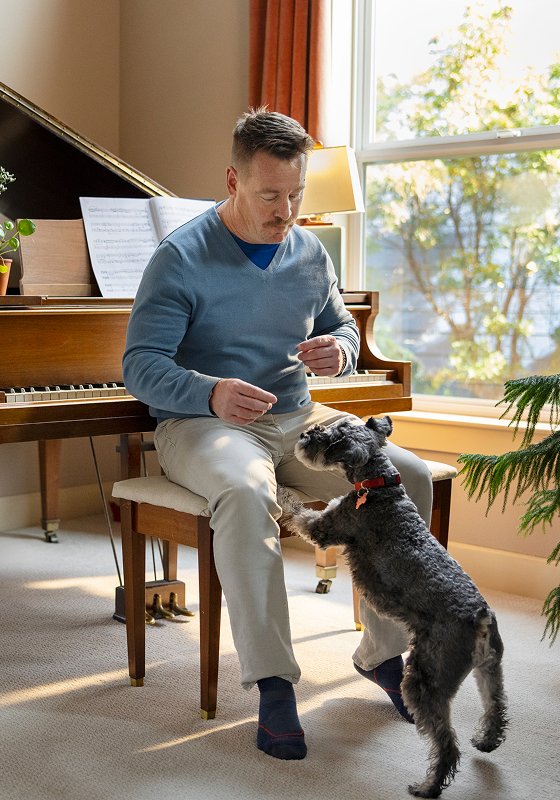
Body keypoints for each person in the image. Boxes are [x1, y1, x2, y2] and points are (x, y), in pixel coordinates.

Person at [123, 108, 432, 761]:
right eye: (270, 196)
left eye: (296, 194)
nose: (285, 210)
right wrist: (209, 390)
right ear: (232, 180)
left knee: (406, 476)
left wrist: (339, 352)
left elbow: (344, 328)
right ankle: (273, 683)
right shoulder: (180, 257)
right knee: (243, 491)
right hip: (205, 424)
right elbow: (140, 367)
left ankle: (384, 656)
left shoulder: (309, 251)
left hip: (299, 418)